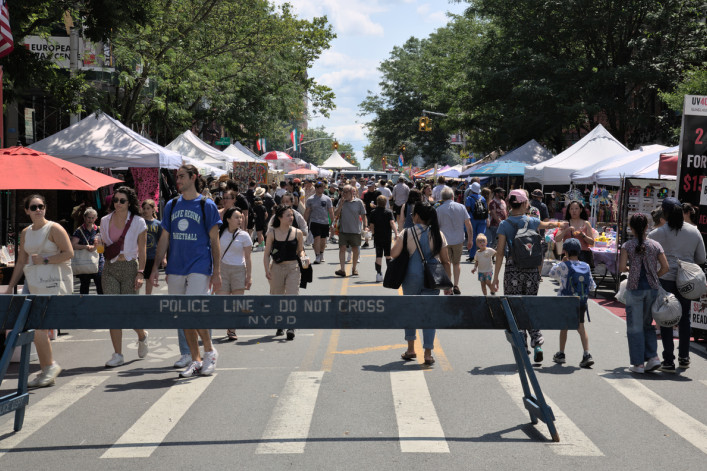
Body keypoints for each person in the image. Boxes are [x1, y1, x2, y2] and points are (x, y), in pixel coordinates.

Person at [150, 164, 222, 378]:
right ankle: (195, 359)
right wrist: (155, 268)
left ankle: (210, 352)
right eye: (177, 177)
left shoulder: (206, 205)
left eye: (182, 176)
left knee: (194, 311)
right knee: (182, 315)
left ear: (193, 177)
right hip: (175, 266)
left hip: (199, 266)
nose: (178, 180)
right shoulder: (171, 205)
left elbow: (214, 240)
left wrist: (216, 271)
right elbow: (164, 238)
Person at [2, 194, 72, 388]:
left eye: (41, 206)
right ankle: (48, 367)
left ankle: (48, 367)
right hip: (32, 283)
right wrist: (10, 286)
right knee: (32, 326)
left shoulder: (54, 228)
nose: (38, 210)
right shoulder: (26, 232)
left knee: (37, 326)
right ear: (27, 211)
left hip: (51, 283)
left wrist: (46, 259)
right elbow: (22, 262)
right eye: (33, 207)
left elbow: (69, 253)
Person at [491, 189, 565, 363]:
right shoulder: (532, 221)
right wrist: (562, 224)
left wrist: (495, 278)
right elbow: (549, 226)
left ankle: (522, 346)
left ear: (509, 204)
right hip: (532, 271)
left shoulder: (504, 225)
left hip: (512, 270)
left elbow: (500, 252)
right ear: (525, 204)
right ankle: (537, 341)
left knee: (515, 309)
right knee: (529, 305)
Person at [648, 197, 706, 372]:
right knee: (685, 318)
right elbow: (702, 258)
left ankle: (668, 360)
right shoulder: (694, 232)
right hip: (687, 281)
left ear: (663, 213)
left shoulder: (655, 234)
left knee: (666, 318)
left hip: (665, 279)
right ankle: (684, 356)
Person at [391, 203, 451, 366]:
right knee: (429, 314)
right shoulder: (438, 233)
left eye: (412, 214)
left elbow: (393, 253)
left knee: (410, 311)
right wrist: (448, 285)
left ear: (417, 216)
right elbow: (446, 261)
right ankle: (428, 353)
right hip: (433, 277)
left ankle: (411, 349)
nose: (411, 216)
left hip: (411, 276)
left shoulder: (407, 232)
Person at [100, 186, 149, 367]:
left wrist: (140, 273)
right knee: (113, 312)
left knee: (128, 312)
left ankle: (142, 335)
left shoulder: (138, 222)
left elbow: (142, 249)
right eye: (115, 200)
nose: (117, 204)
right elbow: (104, 245)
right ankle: (118, 354)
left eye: (122, 200)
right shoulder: (105, 220)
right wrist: (99, 243)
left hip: (130, 267)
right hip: (110, 268)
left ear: (129, 203)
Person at [618, 214, 669, 373]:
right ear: (647, 227)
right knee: (648, 324)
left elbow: (621, 268)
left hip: (635, 289)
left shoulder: (627, 246)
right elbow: (665, 267)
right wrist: (654, 275)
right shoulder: (655, 245)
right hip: (652, 289)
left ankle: (638, 363)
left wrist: (631, 270)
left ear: (631, 228)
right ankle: (653, 357)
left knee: (634, 326)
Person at [548, 238, 597, 368]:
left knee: (564, 327)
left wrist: (561, 262)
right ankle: (587, 354)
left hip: (566, 301)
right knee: (581, 327)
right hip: (580, 301)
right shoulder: (585, 266)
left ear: (566, 252)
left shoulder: (564, 265)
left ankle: (561, 354)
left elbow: (551, 273)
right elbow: (592, 286)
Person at [264, 205, 306, 340]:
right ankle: (280, 322)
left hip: (293, 267)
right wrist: (266, 270)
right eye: (288, 215)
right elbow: (266, 254)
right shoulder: (272, 233)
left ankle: (291, 326)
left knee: (292, 296)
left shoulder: (298, 233)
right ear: (280, 217)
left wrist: (304, 259)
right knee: (278, 297)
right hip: (276, 268)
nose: (291, 218)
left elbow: (301, 250)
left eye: (292, 215)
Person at [218, 207, 253, 341]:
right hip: (222, 269)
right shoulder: (220, 233)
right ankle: (228, 323)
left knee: (237, 302)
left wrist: (249, 276)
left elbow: (248, 258)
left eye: (241, 217)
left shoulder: (244, 235)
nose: (240, 220)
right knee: (223, 302)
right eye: (237, 217)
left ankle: (232, 329)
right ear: (228, 219)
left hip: (239, 269)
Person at [436, 187, 473, 294]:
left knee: (446, 263)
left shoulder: (439, 210)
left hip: (444, 242)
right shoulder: (461, 207)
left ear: (442, 198)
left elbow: (436, 227)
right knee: (456, 263)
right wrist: (470, 239)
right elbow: (468, 224)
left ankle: (448, 286)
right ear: (453, 196)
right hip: (458, 240)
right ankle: (456, 285)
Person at [334, 185, 367, 277]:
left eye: (346, 192)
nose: (344, 194)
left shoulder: (358, 202)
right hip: (343, 230)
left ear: (352, 192)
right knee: (342, 249)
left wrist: (365, 226)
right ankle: (342, 269)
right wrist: (340, 204)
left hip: (355, 230)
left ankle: (354, 268)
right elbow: (336, 213)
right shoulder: (341, 201)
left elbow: (364, 215)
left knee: (355, 249)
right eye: (343, 192)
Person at [71, 207, 103, 294]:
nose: (91, 220)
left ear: (96, 219)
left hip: (98, 260)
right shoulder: (79, 230)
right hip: (84, 261)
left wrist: (98, 245)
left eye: (93, 218)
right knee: (84, 285)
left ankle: (103, 305)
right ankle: (84, 305)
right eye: (89, 217)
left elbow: (104, 245)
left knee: (100, 285)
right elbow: (73, 245)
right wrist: (86, 247)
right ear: (84, 218)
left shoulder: (99, 229)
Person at [556, 200, 595, 267]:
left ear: (581, 210)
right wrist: (566, 230)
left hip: (583, 255)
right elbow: (557, 239)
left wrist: (583, 235)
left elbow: (592, 242)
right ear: (569, 211)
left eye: (576, 208)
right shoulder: (565, 223)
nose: (574, 211)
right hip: (568, 255)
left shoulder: (586, 223)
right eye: (571, 209)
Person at [369, 195, 398, 282]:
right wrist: (396, 233)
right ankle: (389, 274)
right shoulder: (388, 212)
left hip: (378, 236)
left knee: (378, 255)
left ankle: (379, 274)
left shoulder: (373, 212)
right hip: (387, 236)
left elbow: (372, 225)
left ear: (377, 203)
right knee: (388, 255)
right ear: (386, 202)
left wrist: (373, 234)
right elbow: (392, 223)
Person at [304, 181, 334, 264]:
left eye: (323, 187)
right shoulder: (310, 199)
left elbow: (331, 211)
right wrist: (304, 222)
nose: (322, 189)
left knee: (323, 240)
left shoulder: (327, 199)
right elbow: (307, 212)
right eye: (320, 187)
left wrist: (332, 222)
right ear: (316, 189)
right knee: (317, 238)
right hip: (314, 221)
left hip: (325, 222)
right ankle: (317, 255)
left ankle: (321, 253)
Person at [141, 199, 163, 295]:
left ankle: (147, 298)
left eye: (148, 208)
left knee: (149, 279)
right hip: (140, 255)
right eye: (144, 208)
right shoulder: (139, 222)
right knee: (138, 277)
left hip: (152, 255)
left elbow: (162, 241)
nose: (145, 210)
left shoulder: (158, 224)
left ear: (153, 209)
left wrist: (164, 257)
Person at [465, 182, 487, 261]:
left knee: (473, 237)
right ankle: (484, 254)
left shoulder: (469, 198)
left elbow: (467, 209)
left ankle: (472, 255)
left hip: (473, 219)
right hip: (482, 219)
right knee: (482, 237)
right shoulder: (483, 198)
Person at [361, 181, 380, 248]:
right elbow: (365, 204)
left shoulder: (378, 193)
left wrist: (376, 206)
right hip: (369, 213)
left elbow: (381, 202)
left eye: (370, 186)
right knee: (368, 228)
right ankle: (366, 242)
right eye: (368, 186)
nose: (369, 188)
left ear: (374, 185)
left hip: (377, 212)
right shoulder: (366, 194)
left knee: (376, 228)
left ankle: (376, 242)